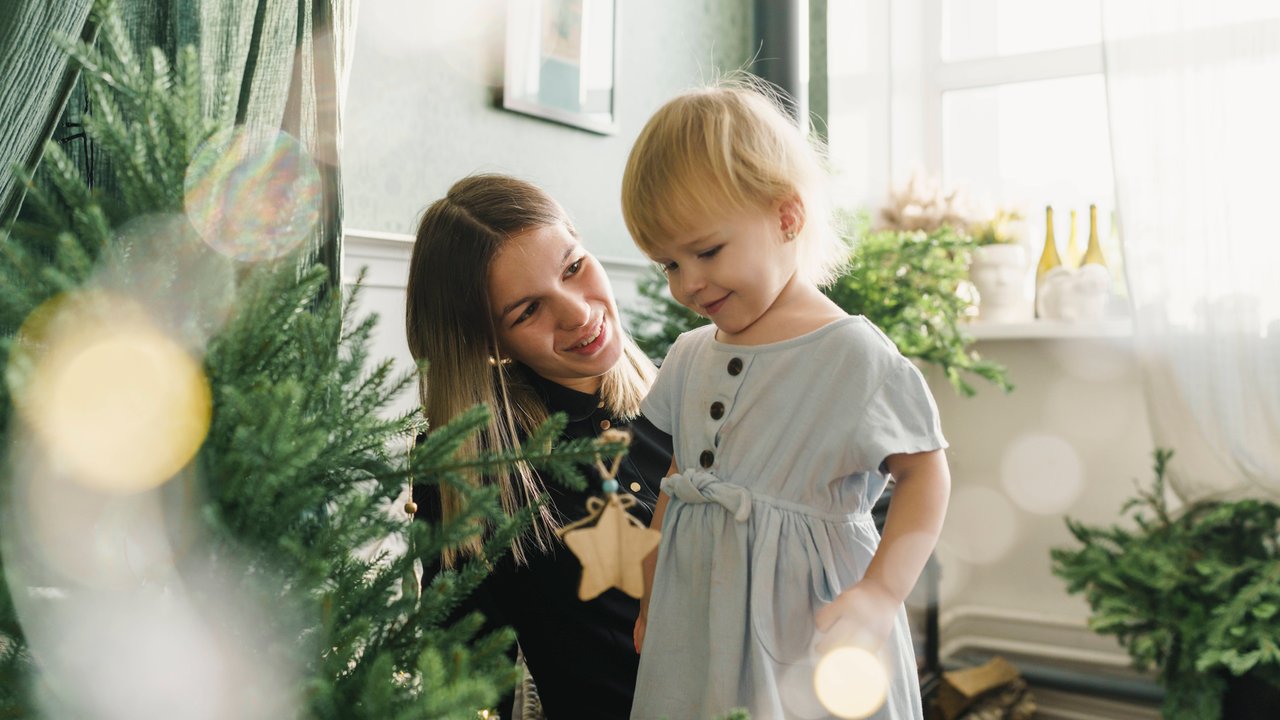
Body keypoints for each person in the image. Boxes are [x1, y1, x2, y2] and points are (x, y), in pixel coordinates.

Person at [620, 82, 952, 719]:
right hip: (694, 631)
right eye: (667, 265)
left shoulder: (851, 355)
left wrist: (882, 594)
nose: (686, 284)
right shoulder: (690, 356)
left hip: (804, 638)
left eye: (706, 251)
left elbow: (925, 473)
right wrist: (650, 598)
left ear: (786, 216)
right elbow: (678, 484)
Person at [405, 174, 672, 719]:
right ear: (487, 340)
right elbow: (464, 681)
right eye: (527, 310)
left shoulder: (689, 397)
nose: (576, 313)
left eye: (574, 267)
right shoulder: (473, 460)